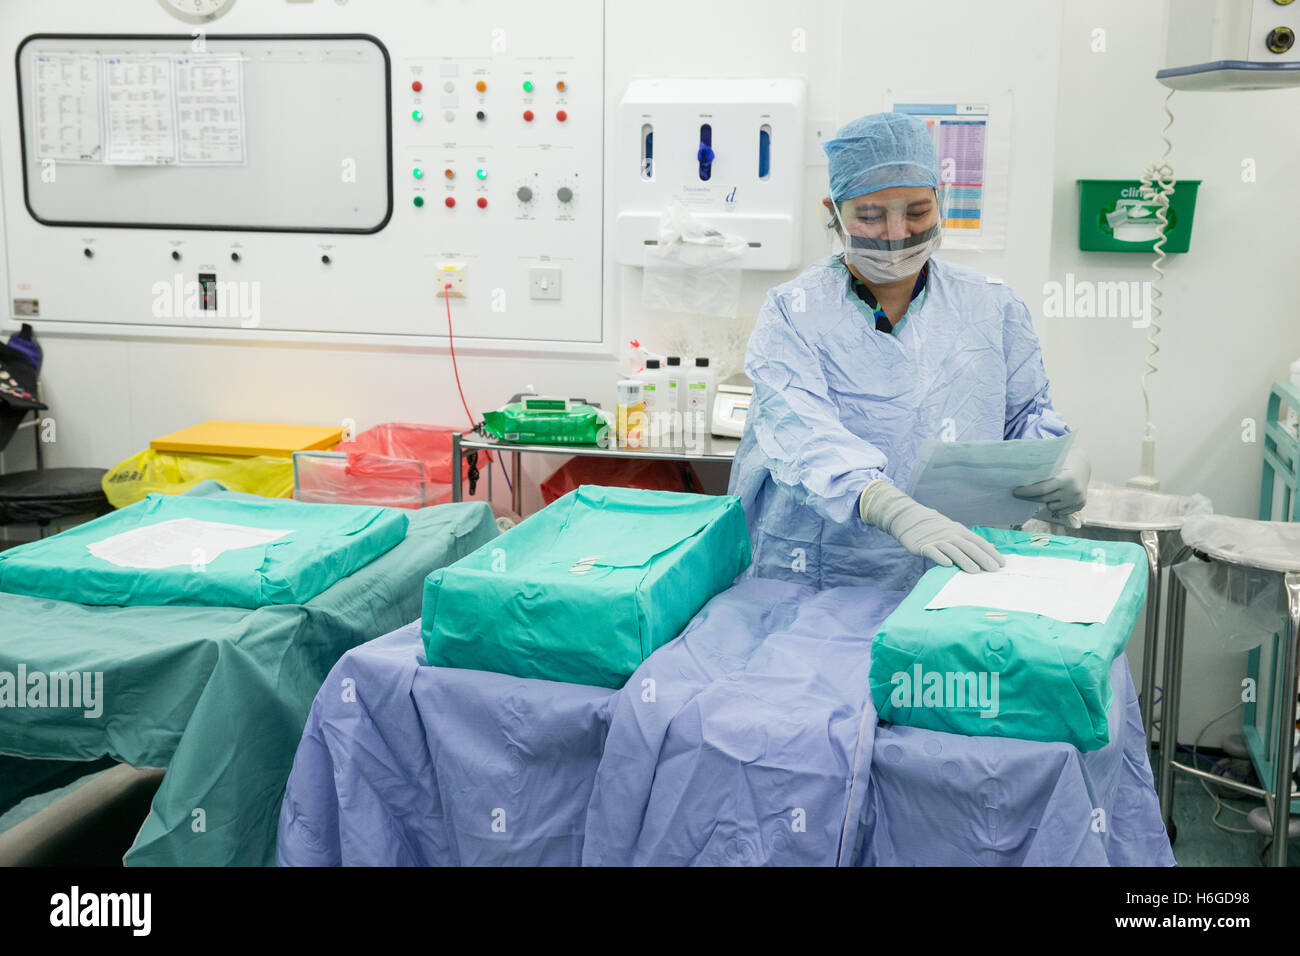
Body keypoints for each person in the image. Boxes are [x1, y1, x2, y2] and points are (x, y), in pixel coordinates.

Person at [727, 112, 1089, 591]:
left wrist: (1064, 465)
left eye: (917, 212)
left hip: (955, 566)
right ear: (831, 214)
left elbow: (1026, 417)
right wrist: (888, 506)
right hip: (818, 570)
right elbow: (800, 433)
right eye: (871, 215)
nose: (897, 233)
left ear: (942, 202)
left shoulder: (991, 305)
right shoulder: (793, 312)